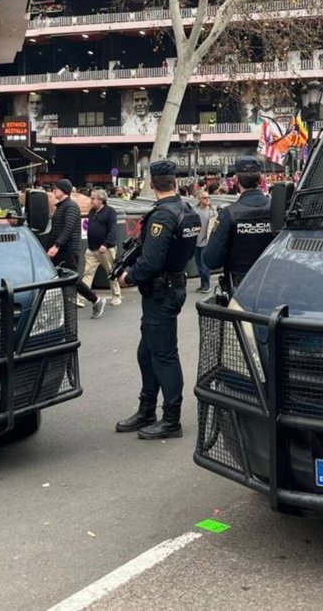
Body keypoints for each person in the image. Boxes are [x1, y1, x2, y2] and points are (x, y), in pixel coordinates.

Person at [115, 159, 200, 440]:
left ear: (151, 184)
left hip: (161, 291)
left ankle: (171, 419)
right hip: (171, 286)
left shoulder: (162, 217)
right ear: (174, 182)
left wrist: (128, 277)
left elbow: (150, 261)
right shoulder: (188, 211)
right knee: (147, 353)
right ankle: (147, 409)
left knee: (163, 356)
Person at [203, 156, 275, 297]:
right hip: (273, 284)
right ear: (261, 179)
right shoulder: (278, 209)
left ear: (236, 180)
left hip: (240, 287)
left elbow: (211, 259)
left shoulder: (229, 214)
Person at [48, 180, 105, 318]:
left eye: (57, 188)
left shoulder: (70, 207)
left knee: (72, 279)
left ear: (64, 190)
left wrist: (56, 245)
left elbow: (68, 228)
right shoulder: (62, 206)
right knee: (61, 279)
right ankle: (63, 308)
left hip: (67, 250)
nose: (54, 190)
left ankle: (96, 300)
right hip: (62, 249)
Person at [83, 189, 120, 316]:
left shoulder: (110, 212)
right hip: (92, 248)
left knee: (111, 272)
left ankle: (116, 295)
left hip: (105, 249)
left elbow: (113, 230)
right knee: (87, 272)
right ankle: (81, 298)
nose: (91, 200)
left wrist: (106, 244)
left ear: (101, 200)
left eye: (93, 198)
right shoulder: (92, 212)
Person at [193, 190, 216, 293]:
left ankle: (206, 285)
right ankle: (203, 284)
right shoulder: (195, 211)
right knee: (198, 264)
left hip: (207, 242)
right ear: (199, 199)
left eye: (208, 197)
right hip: (196, 241)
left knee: (204, 264)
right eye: (205, 198)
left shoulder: (213, 212)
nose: (207, 199)